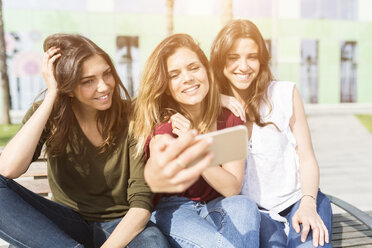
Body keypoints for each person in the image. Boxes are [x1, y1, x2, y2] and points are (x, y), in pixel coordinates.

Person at [0, 34, 170, 248]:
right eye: (88, 81)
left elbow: (141, 206)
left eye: (107, 74)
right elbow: (7, 169)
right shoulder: (50, 115)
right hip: (68, 223)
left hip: (124, 222)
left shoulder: (133, 116)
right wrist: (52, 94)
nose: (104, 86)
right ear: (68, 87)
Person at [210, 19, 332, 247]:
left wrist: (308, 203)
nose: (244, 66)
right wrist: (213, 99)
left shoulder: (284, 93)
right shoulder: (211, 109)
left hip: (299, 200)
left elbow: (306, 157)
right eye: (234, 57)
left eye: (252, 57)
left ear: (262, 60)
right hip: (257, 214)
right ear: (220, 61)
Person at [131, 33, 260, 248]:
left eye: (194, 68)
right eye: (174, 75)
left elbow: (231, 188)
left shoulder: (230, 119)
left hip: (220, 204)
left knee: (244, 205)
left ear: (206, 70)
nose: (188, 78)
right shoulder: (165, 130)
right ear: (166, 85)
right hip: (174, 210)